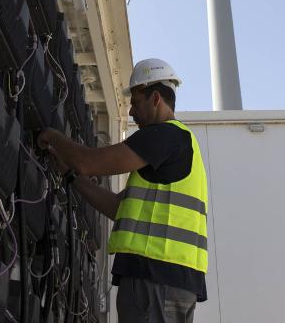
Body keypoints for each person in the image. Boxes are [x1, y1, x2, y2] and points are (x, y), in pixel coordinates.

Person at [38, 58, 208, 323]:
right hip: (174, 281)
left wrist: (55, 138)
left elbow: (88, 162)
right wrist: (71, 177)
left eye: (135, 102)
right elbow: (119, 208)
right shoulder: (179, 145)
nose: (130, 112)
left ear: (154, 99)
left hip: (154, 278)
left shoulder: (163, 135)